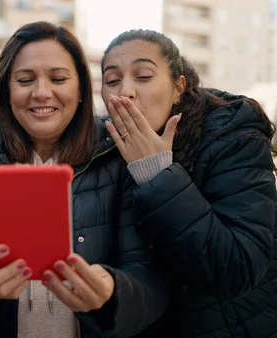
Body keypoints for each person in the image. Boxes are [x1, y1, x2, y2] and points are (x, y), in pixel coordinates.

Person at [0, 22, 168, 338]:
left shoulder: (116, 154)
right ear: (7, 90)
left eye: (58, 79)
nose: (41, 93)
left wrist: (113, 293)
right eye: (25, 80)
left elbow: (151, 278)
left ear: (80, 90)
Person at [100, 29, 277, 337]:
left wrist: (157, 174)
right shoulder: (105, 147)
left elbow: (237, 267)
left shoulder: (233, 137)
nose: (125, 91)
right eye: (112, 80)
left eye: (143, 76)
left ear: (178, 87)